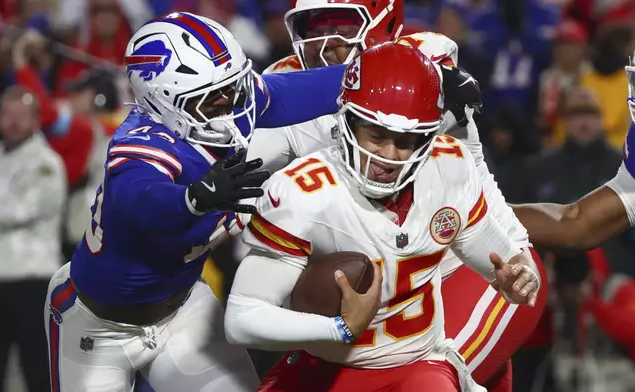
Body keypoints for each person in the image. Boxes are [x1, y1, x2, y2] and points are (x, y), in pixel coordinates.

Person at [210, 1, 548, 389]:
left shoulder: (426, 69)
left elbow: (470, 177)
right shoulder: (285, 99)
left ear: (382, 23)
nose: (325, 44)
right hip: (362, 284)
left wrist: (514, 257)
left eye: (340, 27)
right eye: (313, 29)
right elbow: (234, 183)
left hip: (453, 269)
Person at [44, 12, 349, 392]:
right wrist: (192, 199)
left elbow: (302, 91)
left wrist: (386, 73)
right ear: (164, 103)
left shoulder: (226, 105)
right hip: (97, 326)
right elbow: (137, 199)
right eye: (213, 97)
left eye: (232, 88)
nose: (233, 104)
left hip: (182, 308)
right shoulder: (142, 144)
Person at [510, 55, 635, 249]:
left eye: (590, 113)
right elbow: (572, 225)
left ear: (601, 117)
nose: (584, 121)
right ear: (564, 119)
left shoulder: (621, 164)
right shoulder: (536, 168)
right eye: (577, 113)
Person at [0, 86, 66, 392]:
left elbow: (19, 210)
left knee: (36, 371)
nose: (13, 122)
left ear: (37, 120)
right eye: (7, 114)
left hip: (32, 282)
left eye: (21, 116)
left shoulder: (47, 163)